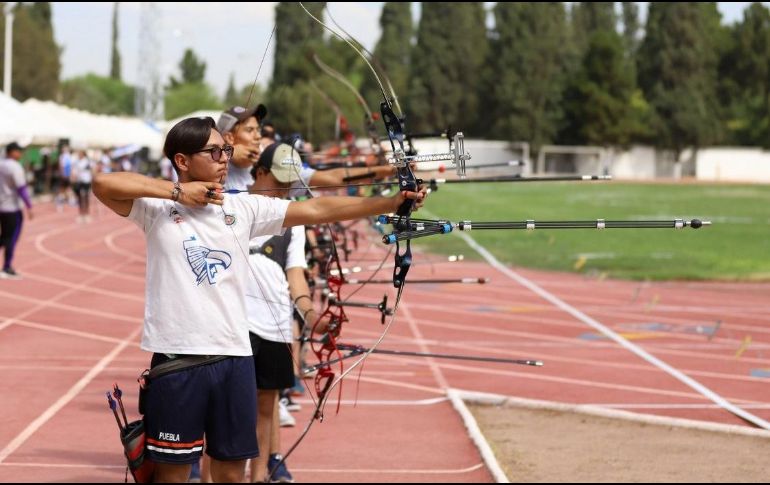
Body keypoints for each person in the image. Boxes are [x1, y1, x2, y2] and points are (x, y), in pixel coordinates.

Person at [92, 117, 427, 483]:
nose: (224, 158)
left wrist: (392, 201)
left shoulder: (245, 208)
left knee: (233, 475)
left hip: (234, 358)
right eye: (214, 151)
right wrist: (177, 193)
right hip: (177, 359)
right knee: (171, 478)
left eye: (227, 151)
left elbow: (317, 210)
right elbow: (102, 184)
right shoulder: (155, 211)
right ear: (182, 161)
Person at [244, 142, 317, 483]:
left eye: (291, 183)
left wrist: (311, 313)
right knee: (223, 410)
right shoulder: (234, 205)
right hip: (233, 324)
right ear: (259, 173)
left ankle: (259, 476)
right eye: (279, 180)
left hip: (273, 327)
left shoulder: (294, 219)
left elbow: (296, 276)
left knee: (265, 407)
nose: (286, 189)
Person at [0, 142, 33, 279]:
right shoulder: (15, 167)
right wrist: (29, 206)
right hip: (11, 208)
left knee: (6, 237)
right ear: (11, 152)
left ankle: (7, 266)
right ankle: (7, 267)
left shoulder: (1, 164)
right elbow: (21, 188)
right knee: (11, 238)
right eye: (18, 151)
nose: (20, 154)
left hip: (2, 206)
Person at [217, 105, 266, 192]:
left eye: (258, 130)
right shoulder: (212, 170)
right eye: (249, 130)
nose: (258, 136)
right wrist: (227, 153)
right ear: (229, 138)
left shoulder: (263, 163)